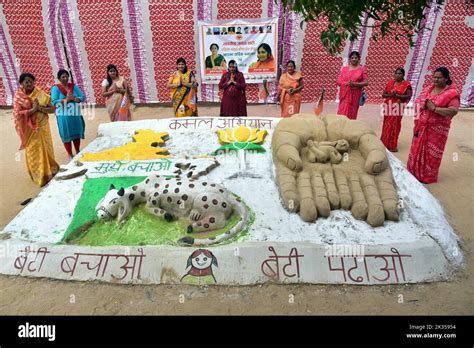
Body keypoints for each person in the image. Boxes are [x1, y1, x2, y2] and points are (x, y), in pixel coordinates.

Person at [407, 67, 460, 184]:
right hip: (421, 126)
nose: (436, 80)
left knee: (431, 154)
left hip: (437, 130)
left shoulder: (451, 93)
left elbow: (453, 110)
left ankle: (427, 176)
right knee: (416, 148)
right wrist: (422, 105)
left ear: (446, 78)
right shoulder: (428, 89)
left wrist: (434, 109)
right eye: (434, 77)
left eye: (439, 77)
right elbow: (418, 102)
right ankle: (413, 171)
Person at [13, 72, 59, 186]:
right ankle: (39, 175)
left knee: (47, 148)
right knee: (33, 151)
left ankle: (50, 171)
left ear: (34, 82)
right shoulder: (18, 97)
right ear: (21, 83)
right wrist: (32, 110)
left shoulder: (40, 94)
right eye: (26, 81)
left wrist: (40, 109)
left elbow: (53, 109)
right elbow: (16, 114)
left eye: (30, 81)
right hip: (29, 130)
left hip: (43, 126)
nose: (29, 83)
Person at [51, 69, 86, 160]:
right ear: (59, 78)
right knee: (66, 134)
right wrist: (65, 100)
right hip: (63, 116)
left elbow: (82, 97)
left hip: (75, 114)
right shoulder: (56, 88)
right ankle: (70, 154)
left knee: (76, 133)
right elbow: (54, 102)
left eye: (66, 76)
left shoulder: (73, 86)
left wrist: (75, 99)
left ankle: (78, 151)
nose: (65, 78)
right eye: (63, 77)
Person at [380, 67, 412, 152]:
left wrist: (397, 96)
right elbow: (383, 94)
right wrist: (391, 94)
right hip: (388, 107)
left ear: (403, 75)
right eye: (396, 73)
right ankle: (384, 144)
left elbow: (409, 96)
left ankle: (392, 146)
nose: (397, 75)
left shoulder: (406, 84)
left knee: (395, 125)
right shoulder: (390, 83)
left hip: (398, 108)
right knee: (386, 125)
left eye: (400, 73)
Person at [336, 51, 368, 119]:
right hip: (344, 95)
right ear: (350, 59)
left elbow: (366, 82)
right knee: (342, 112)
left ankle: (350, 128)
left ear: (358, 59)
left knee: (352, 114)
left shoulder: (362, 69)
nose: (354, 59)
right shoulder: (344, 69)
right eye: (352, 57)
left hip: (355, 96)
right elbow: (338, 81)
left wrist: (355, 84)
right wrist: (347, 84)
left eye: (356, 57)